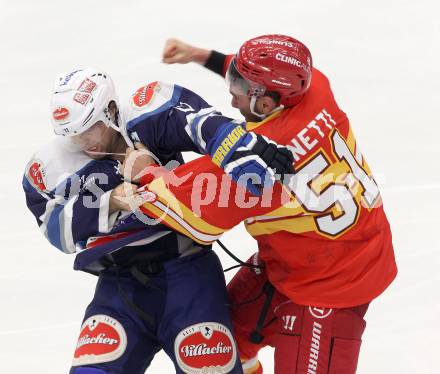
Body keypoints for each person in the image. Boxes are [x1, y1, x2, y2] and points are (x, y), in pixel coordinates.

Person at [124, 34, 398, 373]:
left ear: (266, 103)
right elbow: (272, 73)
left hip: (331, 289)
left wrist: (143, 169)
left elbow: (192, 214)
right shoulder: (316, 89)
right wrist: (202, 55)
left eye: (239, 84)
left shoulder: (264, 166)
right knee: (224, 346)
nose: (231, 91)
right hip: (316, 253)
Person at [23, 68, 294, 374]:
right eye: (73, 135)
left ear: (111, 109)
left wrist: (236, 150)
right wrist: (111, 199)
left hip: (189, 278)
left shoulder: (147, 109)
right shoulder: (49, 167)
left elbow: (201, 122)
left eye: (91, 129)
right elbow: (57, 231)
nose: (85, 142)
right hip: (121, 288)